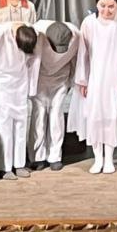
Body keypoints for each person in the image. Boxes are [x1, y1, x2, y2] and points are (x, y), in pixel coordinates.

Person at [73, 0, 117, 173]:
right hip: (94, 78)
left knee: (112, 116)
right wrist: (83, 80)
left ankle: (109, 158)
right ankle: (97, 158)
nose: (106, 10)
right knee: (94, 116)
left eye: (111, 6)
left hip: (115, 79)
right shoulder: (89, 23)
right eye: (102, 6)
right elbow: (83, 54)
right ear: (96, 4)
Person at [0, 21, 41, 179]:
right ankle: (4, 167)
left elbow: (34, 61)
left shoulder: (32, 33)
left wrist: (32, 87)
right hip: (1, 81)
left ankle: (19, 164)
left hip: (21, 81)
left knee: (21, 122)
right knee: (4, 123)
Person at [29, 19, 79, 171]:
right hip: (40, 77)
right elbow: (31, 61)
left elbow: (76, 61)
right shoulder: (37, 32)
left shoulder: (76, 34)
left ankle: (55, 156)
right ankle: (37, 157)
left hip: (61, 78)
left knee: (56, 115)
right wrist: (30, 85)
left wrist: (71, 82)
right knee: (39, 115)